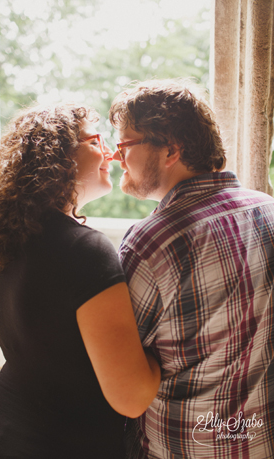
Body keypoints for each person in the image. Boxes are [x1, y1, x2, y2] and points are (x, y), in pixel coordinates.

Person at [0, 104, 161, 458]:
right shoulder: (86, 251)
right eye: (96, 140)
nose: (111, 153)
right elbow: (132, 398)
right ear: (57, 156)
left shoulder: (6, 239)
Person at [110, 80, 274, 458]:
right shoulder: (266, 209)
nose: (118, 158)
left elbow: (121, 369)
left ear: (171, 149)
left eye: (124, 146)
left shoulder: (151, 244)